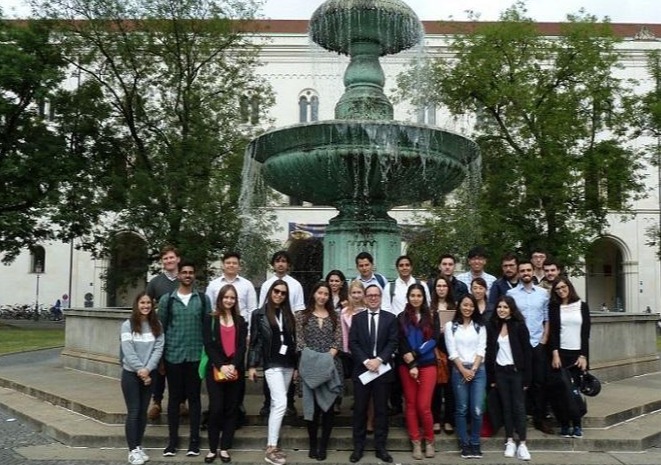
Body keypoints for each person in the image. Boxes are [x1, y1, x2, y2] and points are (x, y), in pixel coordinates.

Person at [158, 259, 210, 457]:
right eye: (184, 272)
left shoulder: (203, 299)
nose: (187, 275)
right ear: (178, 275)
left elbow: (207, 329)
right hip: (173, 356)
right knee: (173, 400)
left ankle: (194, 441)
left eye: (191, 272)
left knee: (195, 399)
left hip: (195, 356)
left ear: (194, 275)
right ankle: (172, 441)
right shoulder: (167, 300)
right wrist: (161, 360)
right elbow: (161, 330)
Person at [205, 251, 257, 428]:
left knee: (237, 374)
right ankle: (216, 413)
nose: (231, 265)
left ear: (239, 266)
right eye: (228, 262)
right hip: (219, 333)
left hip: (240, 332)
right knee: (217, 374)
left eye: (235, 263)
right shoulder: (213, 285)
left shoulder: (247, 285)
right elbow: (210, 309)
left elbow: (252, 310)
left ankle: (236, 410)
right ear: (223, 264)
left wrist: (249, 333)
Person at [248, 280, 297, 465]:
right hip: (272, 364)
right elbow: (255, 342)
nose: (279, 295)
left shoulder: (288, 314)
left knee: (278, 404)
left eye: (283, 293)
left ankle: (273, 443)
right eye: (276, 291)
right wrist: (252, 365)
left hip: (288, 364)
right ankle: (271, 447)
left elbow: (293, 341)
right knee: (281, 402)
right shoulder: (259, 314)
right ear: (270, 292)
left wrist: (297, 366)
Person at [349, 284, 398, 464]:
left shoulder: (390, 318)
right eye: (369, 295)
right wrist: (366, 361)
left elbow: (393, 342)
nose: (373, 298)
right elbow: (353, 343)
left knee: (381, 410)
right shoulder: (357, 318)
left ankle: (381, 448)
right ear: (365, 297)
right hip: (363, 371)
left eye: (376, 295)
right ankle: (358, 448)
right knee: (360, 410)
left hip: (382, 370)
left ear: (381, 297)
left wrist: (379, 360)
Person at [295, 282, 343, 461]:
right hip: (309, 367)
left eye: (326, 294)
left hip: (330, 366)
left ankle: (323, 445)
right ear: (314, 294)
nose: (322, 296)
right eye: (319, 293)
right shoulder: (301, 316)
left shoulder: (335, 316)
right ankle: (313, 444)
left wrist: (326, 359)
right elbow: (300, 342)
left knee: (328, 408)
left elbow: (338, 341)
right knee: (312, 408)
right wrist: (316, 361)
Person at [507, 260, 554, 435]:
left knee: (539, 382)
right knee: (519, 382)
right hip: (519, 345)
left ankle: (539, 418)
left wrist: (544, 339)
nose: (525, 273)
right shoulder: (511, 294)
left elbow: (547, 318)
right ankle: (518, 419)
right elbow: (508, 318)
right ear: (518, 273)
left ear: (533, 271)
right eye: (522, 270)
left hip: (537, 343)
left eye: (528, 270)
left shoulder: (543, 293)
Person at [202, 284, 247, 464]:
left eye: (232, 298)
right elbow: (208, 345)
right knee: (216, 408)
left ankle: (225, 448)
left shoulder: (240, 321)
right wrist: (222, 366)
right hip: (216, 369)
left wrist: (233, 365)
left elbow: (242, 346)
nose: (229, 300)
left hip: (235, 370)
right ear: (220, 299)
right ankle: (212, 448)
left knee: (231, 408)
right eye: (226, 297)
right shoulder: (210, 319)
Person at [258, 251, 305, 417]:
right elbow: (261, 309)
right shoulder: (267, 285)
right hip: (271, 332)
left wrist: (298, 333)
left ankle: (289, 403)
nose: (280, 264)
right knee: (269, 369)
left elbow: (299, 310)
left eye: (284, 261)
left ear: (288, 265)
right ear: (273, 264)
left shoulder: (295, 285)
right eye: (277, 261)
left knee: (288, 368)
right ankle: (267, 403)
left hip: (288, 331)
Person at [486, 296, 532, 461]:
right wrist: (492, 377)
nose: (502, 310)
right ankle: (510, 440)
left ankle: (523, 443)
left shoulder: (519, 326)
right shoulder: (493, 326)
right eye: (499, 307)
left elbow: (527, 352)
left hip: (516, 372)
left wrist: (527, 378)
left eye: (505, 307)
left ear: (511, 309)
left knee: (519, 407)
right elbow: (490, 352)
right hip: (500, 372)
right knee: (506, 407)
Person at [120, 292, 164, 465]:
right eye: (142, 303)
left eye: (148, 303)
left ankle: (138, 445)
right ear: (136, 304)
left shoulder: (157, 325)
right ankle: (132, 450)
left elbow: (158, 349)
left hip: (149, 374)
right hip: (131, 374)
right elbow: (127, 350)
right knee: (134, 411)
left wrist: (148, 369)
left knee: (143, 412)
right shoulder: (127, 325)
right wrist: (140, 370)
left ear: (152, 306)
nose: (145, 306)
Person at [398, 283, 438, 460]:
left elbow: (434, 339)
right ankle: (415, 441)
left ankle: (429, 440)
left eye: (419, 296)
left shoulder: (432, 316)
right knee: (411, 405)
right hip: (406, 366)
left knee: (424, 406)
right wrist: (411, 364)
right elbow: (401, 342)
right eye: (412, 295)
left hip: (428, 364)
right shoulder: (401, 317)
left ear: (424, 298)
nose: (415, 299)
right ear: (408, 297)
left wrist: (416, 354)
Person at [445, 294, 487, 459]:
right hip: (459, 369)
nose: (467, 308)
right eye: (465, 305)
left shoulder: (480, 326)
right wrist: (463, 370)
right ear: (459, 306)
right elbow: (452, 351)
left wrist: (473, 370)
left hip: (478, 370)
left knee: (477, 409)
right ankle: (464, 443)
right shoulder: (451, 326)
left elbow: (481, 349)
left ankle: (475, 442)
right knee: (461, 408)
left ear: (474, 308)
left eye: (471, 305)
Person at [549, 277, 591, 439]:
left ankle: (577, 424)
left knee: (575, 391)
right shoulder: (554, 307)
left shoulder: (582, 306)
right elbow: (553, 332)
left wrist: (583, 356)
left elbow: (585, 333)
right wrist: (555, 353)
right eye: (557, 289)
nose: (561, 291)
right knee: (561, 391)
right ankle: (565, 424)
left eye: (563, 287)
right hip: (561, 354)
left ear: (569, 287)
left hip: (577, 355)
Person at [146, 245, 181, 422]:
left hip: (181, 331)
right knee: (159, 366)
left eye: (171, 257)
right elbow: (146, 303)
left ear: (178, 259)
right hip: (160, 330)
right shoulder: (155, 282)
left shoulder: (185, 279)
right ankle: (157, 402)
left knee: (179, 368)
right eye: (165, 258)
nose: (169, 261)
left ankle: (181, 401)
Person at [340, 280, 374, 431]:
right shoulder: (345, 312)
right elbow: (344, 334)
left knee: (372, 391)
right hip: (354, 355)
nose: (356, 295)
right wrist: (347, 352)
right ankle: (360, 420)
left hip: (370, 354)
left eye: (359, 292)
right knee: (359, 389)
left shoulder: (369, 309)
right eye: (353, 292)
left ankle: (370, 421)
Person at [430, 275, 456, 435]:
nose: (441, 289)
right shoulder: (430, 307)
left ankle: (448, 420)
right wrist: (437, 330)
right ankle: (435, 420)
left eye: (444, 286)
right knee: (435, 386)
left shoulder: (455, 306)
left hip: (451, 349)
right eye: (438, 286)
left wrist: (449, 328)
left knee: (450, 386)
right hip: (434, 348)